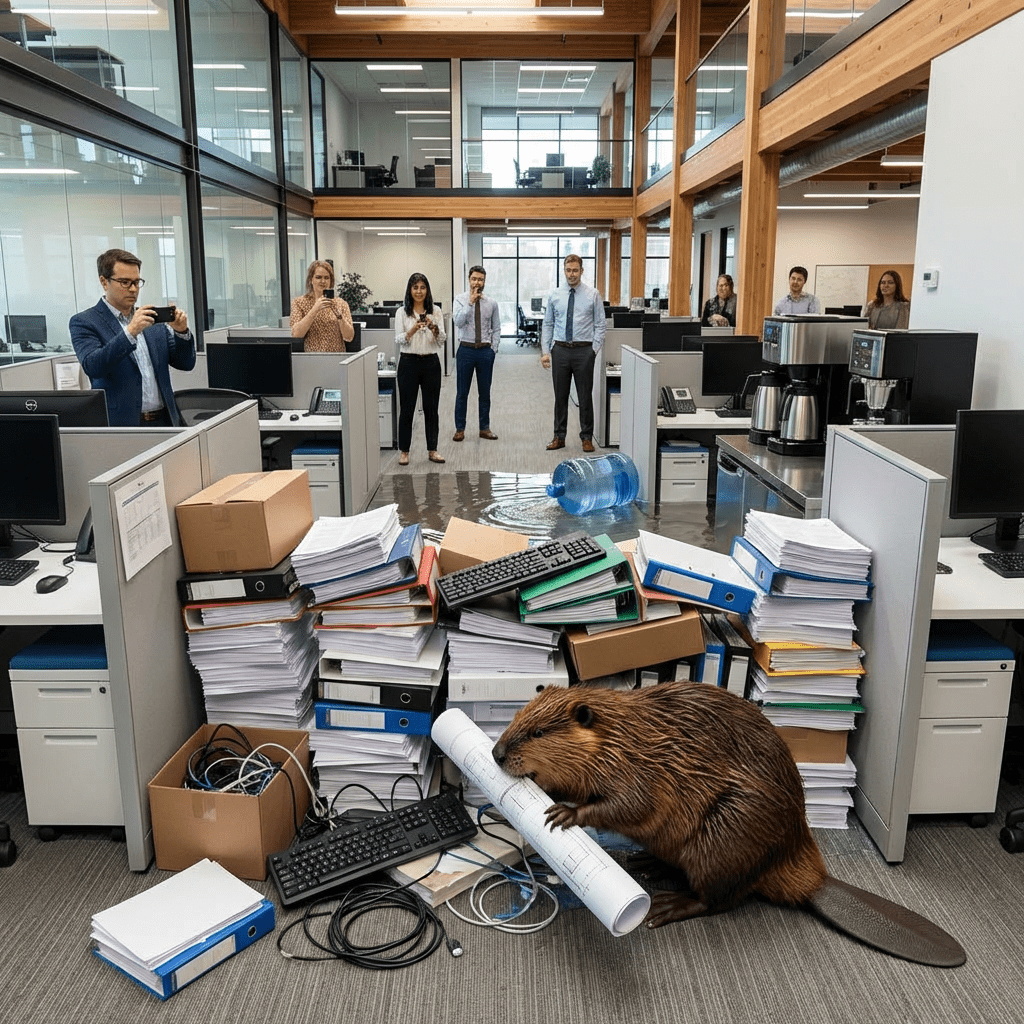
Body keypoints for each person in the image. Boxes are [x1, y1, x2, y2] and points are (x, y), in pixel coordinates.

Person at [69, 247, 195, 427]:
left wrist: (181, 332)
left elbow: (186, 363)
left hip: (165, 422)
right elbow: (94, 366)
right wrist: (130, 332)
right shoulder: (84, 322)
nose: (133, 289)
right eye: (125, 282)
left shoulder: (151, 321)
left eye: (137, 282)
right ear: (104, 282)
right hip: (122, 426)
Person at [540, 253, 606, 452]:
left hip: (583, 351)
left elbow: (600, 325)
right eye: (568, 270)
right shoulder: (555, 295)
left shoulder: (592, 294)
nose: (572, 274)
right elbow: (548, 324)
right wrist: (546, 351)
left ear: (582, 271)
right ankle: (559, 437)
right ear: (564, 271)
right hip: (560, 350)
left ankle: (586, 437)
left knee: (585, 396)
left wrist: (593, 350)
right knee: (560, 397)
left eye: (575, 270)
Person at [394, 272, 446, 466]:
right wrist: (413, 329)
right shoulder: (402, 312)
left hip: (431, 363)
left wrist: (434, 328)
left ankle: (433, 450)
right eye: (415, 287)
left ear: (427, 290)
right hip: (408, 363)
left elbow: (442, 340)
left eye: (422, 287)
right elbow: (398, 339)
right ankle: (404, 451)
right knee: (407, 409)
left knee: (432, 409)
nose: (419, 291)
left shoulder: (436, 311)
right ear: (410, 290)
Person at [451, 265, 501, 442]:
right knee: (462, 392)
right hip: (465, 350)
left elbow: (497, 328)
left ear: (484, 281)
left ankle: (484, 428)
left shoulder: (492, 303)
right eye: (474, 279)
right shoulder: (459, 300)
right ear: (469, 279)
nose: (477, 282)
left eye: (480, 279)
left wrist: (493, 350)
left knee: (485, 392)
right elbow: (457, 321)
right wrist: (470, 303)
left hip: (485, 352)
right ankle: (460, 429)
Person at [289, 259, 355, 352]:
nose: (323, 281)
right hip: (312, 359)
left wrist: (339, 316)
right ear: (311, 279)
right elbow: (296, 334)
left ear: (331, 281)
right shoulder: (299, 302)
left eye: (327, 278)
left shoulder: (341, 303)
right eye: (318, 277)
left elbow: (349, 337)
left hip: (337, 359)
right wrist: (314, 309)